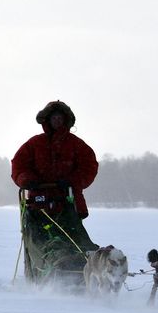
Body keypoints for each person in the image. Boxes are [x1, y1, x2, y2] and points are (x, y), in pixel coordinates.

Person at [11, 100, 100, 286]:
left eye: (61, 118)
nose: (57, 121)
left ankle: (81, 272)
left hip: (66, 202)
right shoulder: (34, 144)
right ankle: (42, 277)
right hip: (38, 203)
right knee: (39, 241)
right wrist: (27, 180)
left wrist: (72, 180)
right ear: (47, 120)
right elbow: (18, 166)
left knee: (74, 238)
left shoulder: (76, 145)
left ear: (66, 120)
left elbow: (89, 167)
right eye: (54, 117)